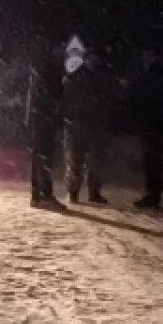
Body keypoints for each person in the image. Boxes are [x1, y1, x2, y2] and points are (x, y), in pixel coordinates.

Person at [62, 36, 117, 204]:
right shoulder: (76, 76)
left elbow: (110, 97)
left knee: (95, 160)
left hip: (94, 123)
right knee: (76, 159)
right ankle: (74, 191)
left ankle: (92, 191)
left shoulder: (100, 77)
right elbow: (66, 98)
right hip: (78, 123)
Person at [129, 52, 163, 209]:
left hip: (153, 125)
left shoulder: (155, 77)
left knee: (152, 162)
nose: (145, 59)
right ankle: (152, 195)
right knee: (153, 162)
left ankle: (152, 196)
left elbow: (145, 98)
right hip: (156, 125)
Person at [28, 40, 67, 211]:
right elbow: (52, 97)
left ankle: (38, 196)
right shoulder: (50, 71)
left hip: (40, 117)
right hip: (44, 118)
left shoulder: (41, 69)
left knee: (39, 157)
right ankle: (44, 195)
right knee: (43, 156)